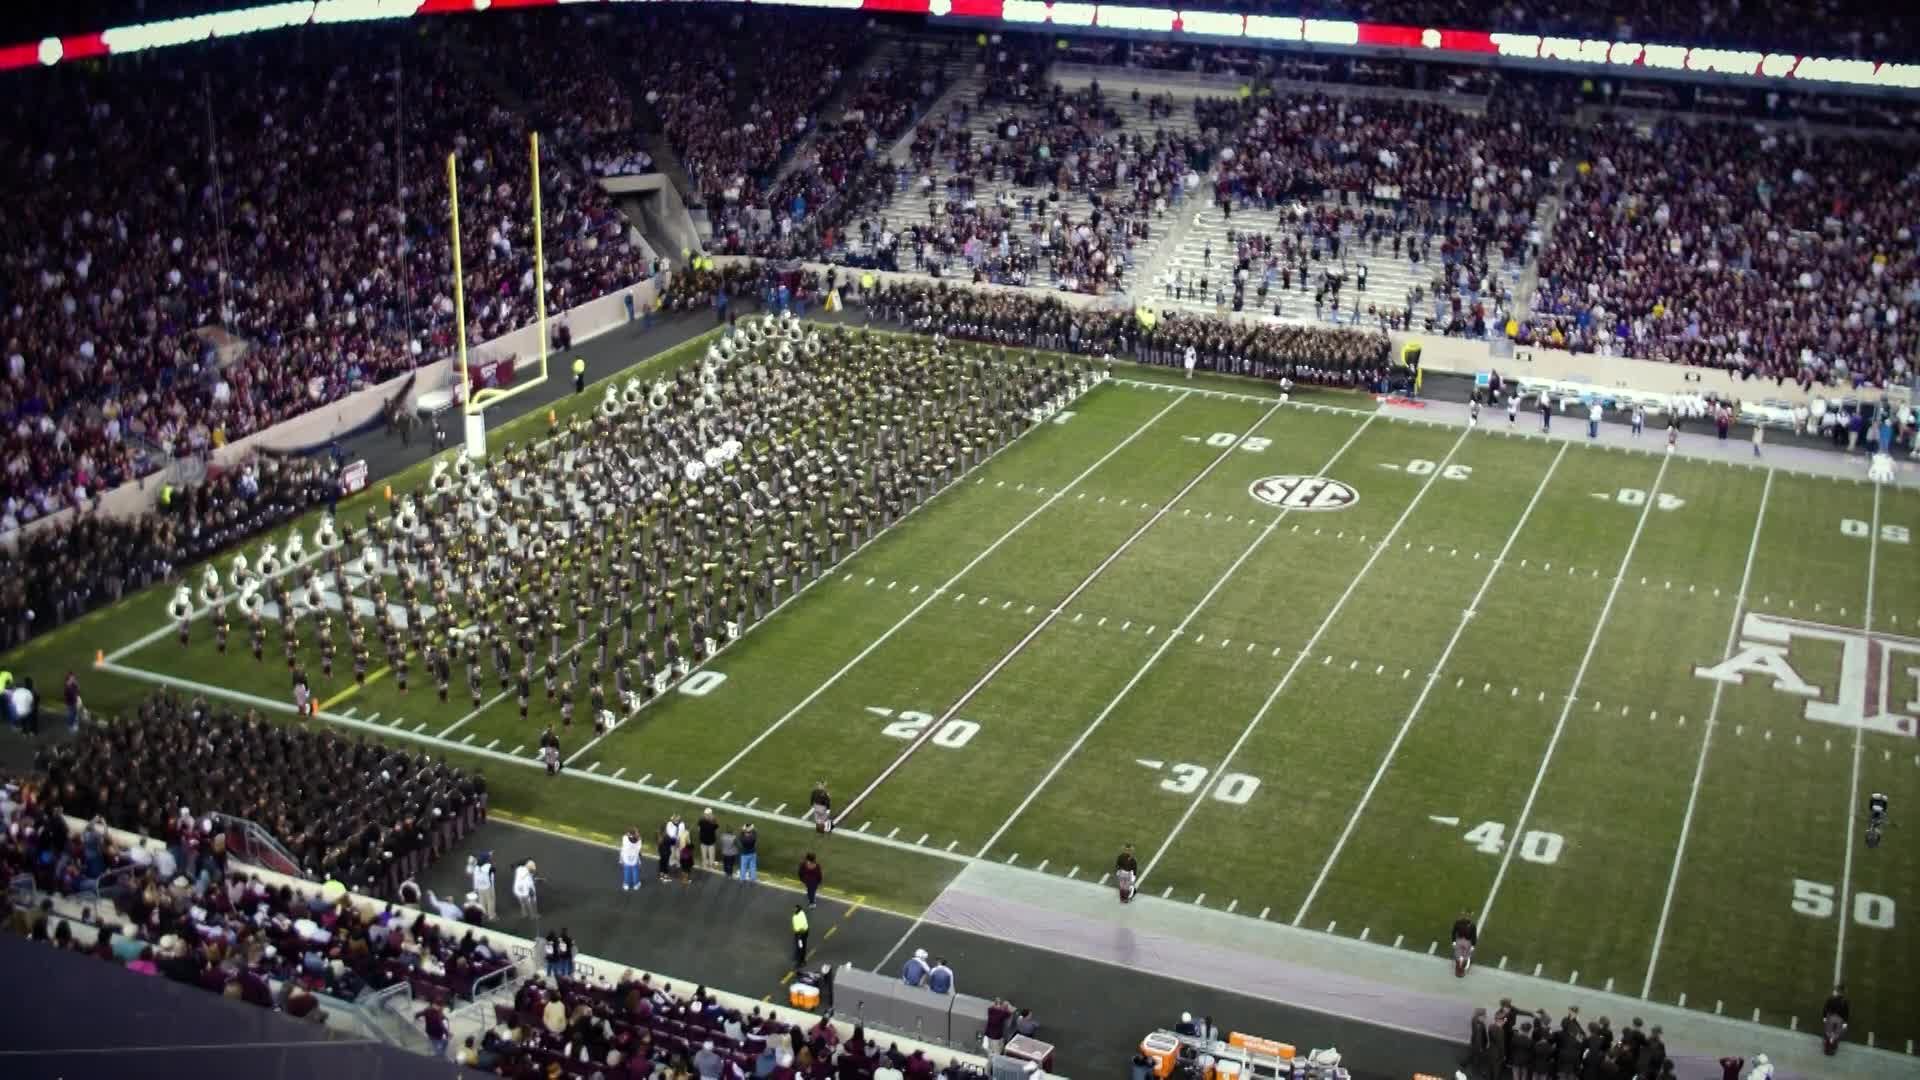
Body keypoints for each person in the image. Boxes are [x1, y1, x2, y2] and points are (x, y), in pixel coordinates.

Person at [1822, 986, 1850, 1054]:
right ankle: (1833, 1045)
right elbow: (1846, 1013)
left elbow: (1825, 1008)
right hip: (1840, 1020)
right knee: (1837, 1034)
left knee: (1828, 1032)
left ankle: (1827, 1046)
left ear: (1836, 992)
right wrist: (1845, 1023)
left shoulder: (1831, 999)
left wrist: (1824, 1017)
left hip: (1831, 1018)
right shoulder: (1845, 1001)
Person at [470, 853, 497, 920]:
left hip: (479, 887)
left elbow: (475, 878)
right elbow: (494, 870)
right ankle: (491, 915)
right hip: (488, 887)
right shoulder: (488, 867)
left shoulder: (476, 868)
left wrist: (475, 888)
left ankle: (483, 913)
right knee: (490, 901)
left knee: (482, 900)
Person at [1451, 910, 1477, 976]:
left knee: (1465, 958)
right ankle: (1457, 970)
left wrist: (1473, 945)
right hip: (1459, 940)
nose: (1467, 917)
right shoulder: (1458, 923)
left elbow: (1474, 936)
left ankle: (1462, 971)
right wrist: (1453, 941)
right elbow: (1454, 932)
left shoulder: (1472, 925)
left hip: (1468, 941)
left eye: (1469, 916)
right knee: (1457, 956)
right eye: (1466, 916)